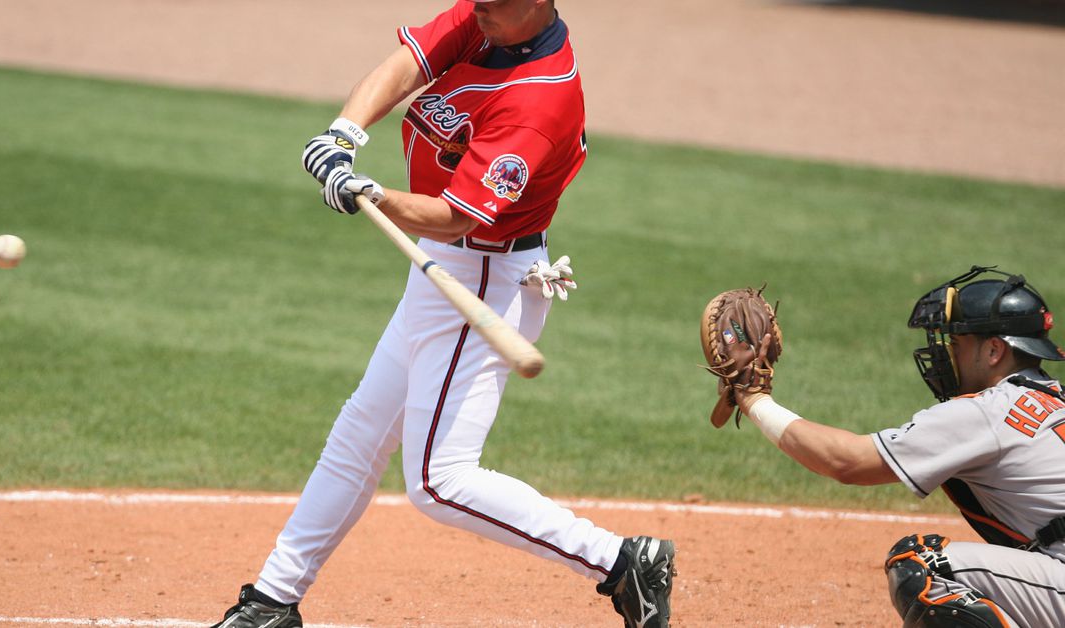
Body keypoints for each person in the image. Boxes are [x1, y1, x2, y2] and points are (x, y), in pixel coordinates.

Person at [212, 2, 675, 627]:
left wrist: (368, 193)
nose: (478, 7)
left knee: (438, 480)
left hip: (486, 275)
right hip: (445, 264)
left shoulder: (539, 102)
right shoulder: (490, 16)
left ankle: (622, 562)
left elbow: (457, 214)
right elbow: (408, 63)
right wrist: (344, 134)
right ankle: (273, 600)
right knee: (362, 430)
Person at [732, 266, 1065, 627]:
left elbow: (846, 462)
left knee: (922, 566)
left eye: (956, 344)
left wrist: (753, 399)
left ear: (994, 350)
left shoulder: (989, 410)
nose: (945, 355)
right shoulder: (1055, 400)